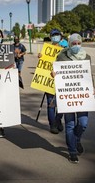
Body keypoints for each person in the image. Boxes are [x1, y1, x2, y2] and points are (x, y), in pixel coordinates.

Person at [54, 33, 91, 163]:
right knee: (69, 125)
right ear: (69, 44)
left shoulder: (87, 57)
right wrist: (53, 74)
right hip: (68, 97)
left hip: (82, 96)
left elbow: (89, 76)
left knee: (83, 123)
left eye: (78, 43)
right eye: (73, 44)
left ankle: (76, 140)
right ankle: (72, 152)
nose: (76, 46)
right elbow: (57, 73)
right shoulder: (62, 57)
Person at [38, 29, 66, 134]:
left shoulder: (65, 50)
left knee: (62, 103)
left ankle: (58, 119)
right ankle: (52, 124)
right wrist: (40, 57)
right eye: (53, 35)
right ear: (50, 37)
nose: (55, 37)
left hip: (62, 81)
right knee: (51, 104)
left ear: (60, 37)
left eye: (57, 35)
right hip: (49, 81)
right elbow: (43, 64)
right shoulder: (46, 50)